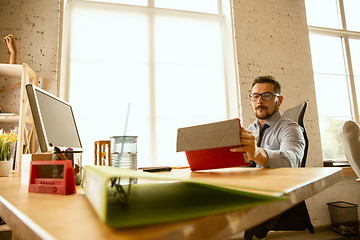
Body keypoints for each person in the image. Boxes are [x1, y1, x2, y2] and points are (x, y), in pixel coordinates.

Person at [230, 75, 312, 240]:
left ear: (279, 100)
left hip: (275, 193)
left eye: (267, 95)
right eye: (255, 96)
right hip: (250, 187)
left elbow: (290, 161)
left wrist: (256, 153)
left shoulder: (291, 129)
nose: (260, 100)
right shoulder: (248, 131)